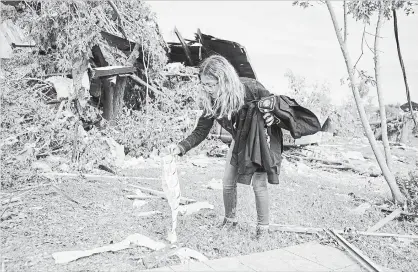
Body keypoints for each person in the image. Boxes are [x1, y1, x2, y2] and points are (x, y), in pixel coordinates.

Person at [168, 55, 320, 238]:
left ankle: (262, 228)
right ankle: (230, 221)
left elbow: (276, 109)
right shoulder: (212, 101)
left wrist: (273, 118)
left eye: (211, 84)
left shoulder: (250, 88)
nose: (207, 89)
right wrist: (180, 147)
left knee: (258, 184)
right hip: (239, 141)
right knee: (227, 181)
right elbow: (201, 130)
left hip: (261, 139)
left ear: (224, 80)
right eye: (204, 84)